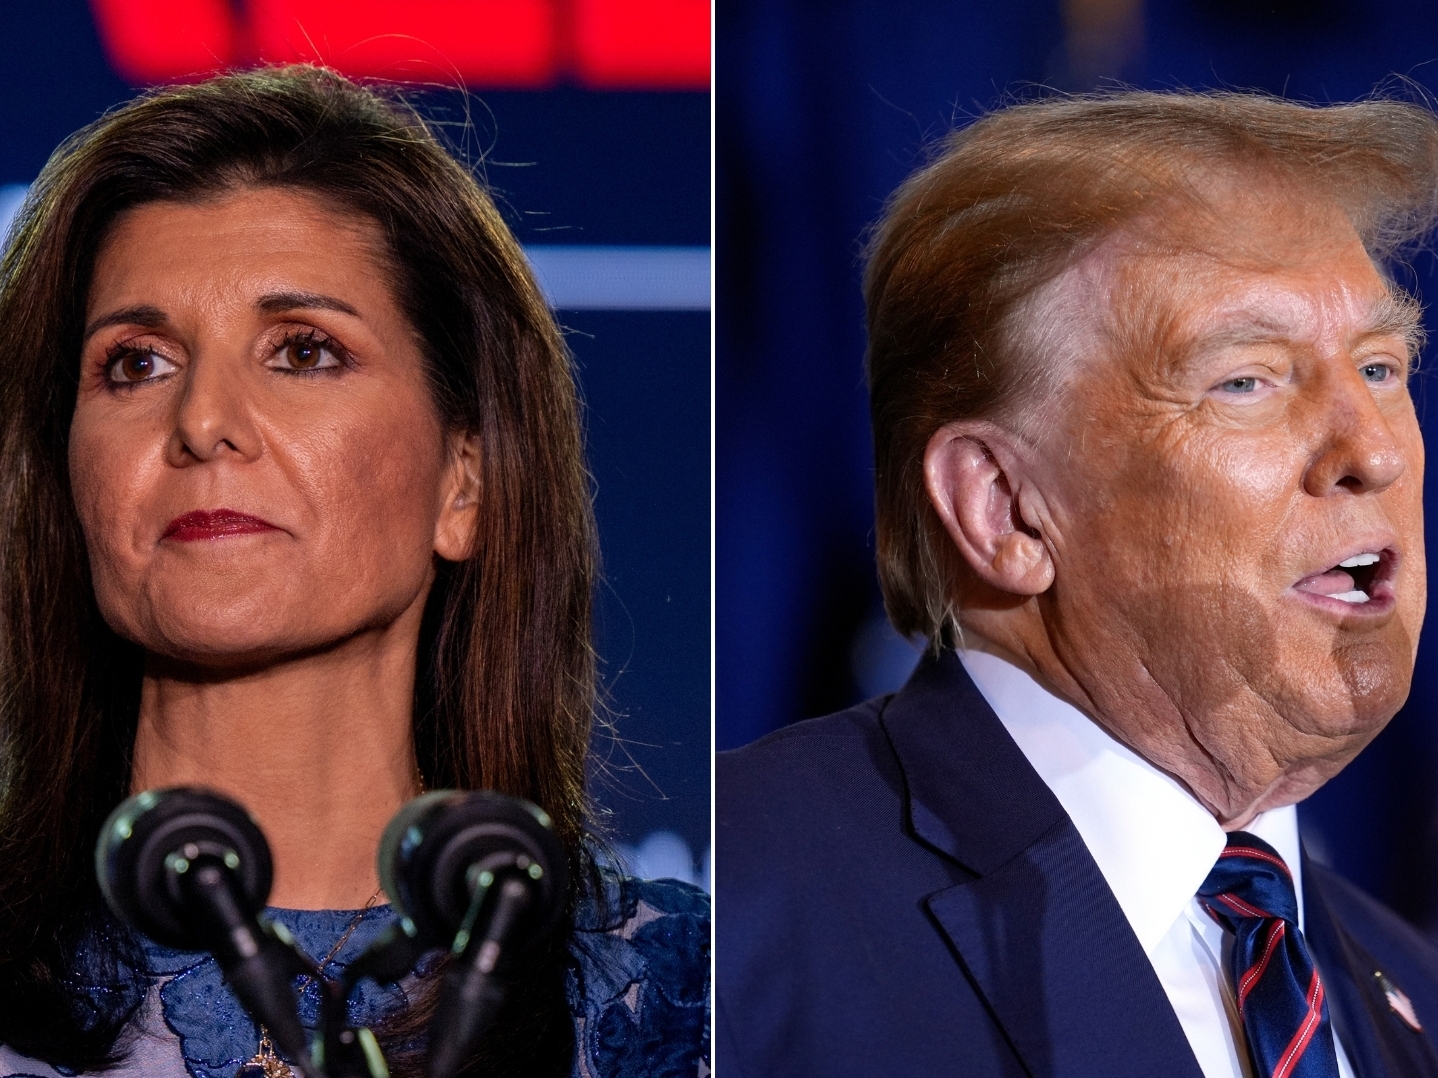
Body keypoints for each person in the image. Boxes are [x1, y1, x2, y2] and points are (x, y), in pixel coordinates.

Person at [0, 65, 708, 1078]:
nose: (201, 422)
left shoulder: (689, 997)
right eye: (136, 362)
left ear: (464, 478)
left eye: (301, 351)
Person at [717, 91, 1438, 1078]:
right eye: (1247, 380)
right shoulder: (730, 925)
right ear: (1005, 509)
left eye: (1381, 366)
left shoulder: (1412, 996)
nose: (1372, 451)